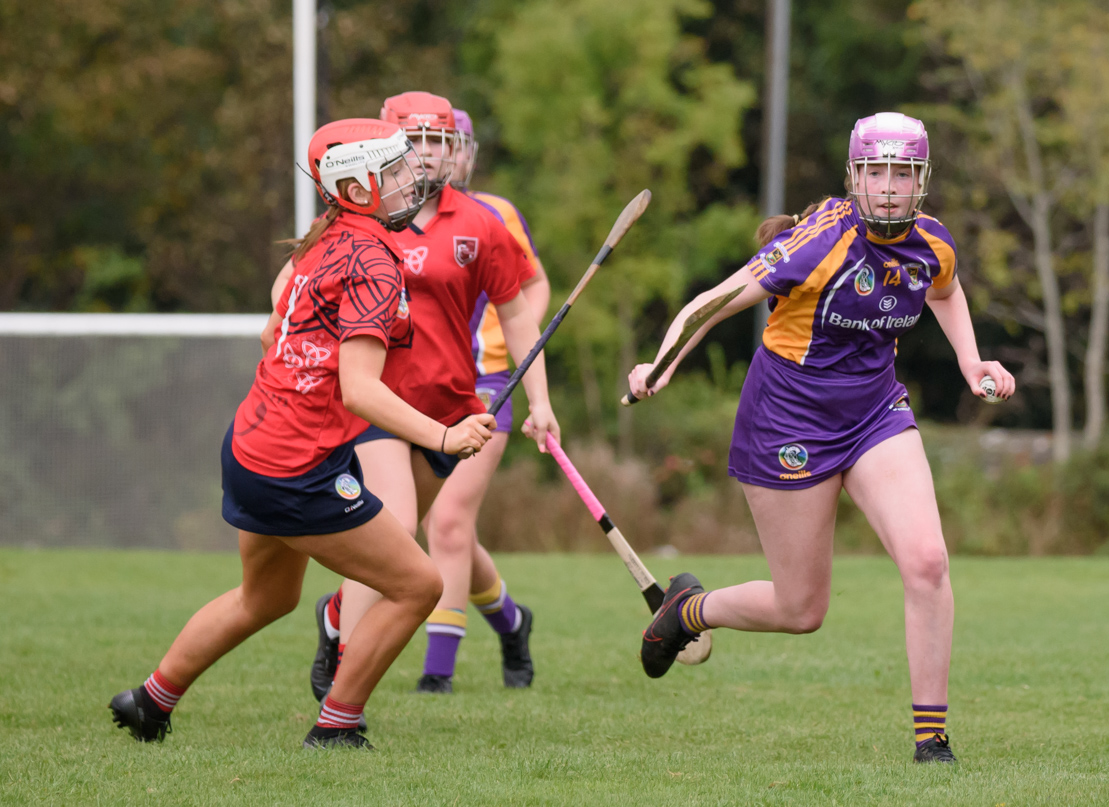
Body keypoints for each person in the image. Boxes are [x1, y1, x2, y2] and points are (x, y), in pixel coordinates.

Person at [625, 113, 1016, 764]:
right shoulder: (818, 242)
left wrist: (970, 362)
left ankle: (931, 741)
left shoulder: (931, 242)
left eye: (902, 173)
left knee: (926, 561)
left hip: (873, 412)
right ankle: (688, 610)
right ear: (853, 176)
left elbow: (944, 290)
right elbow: (714, 301)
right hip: (787, 419)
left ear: (920, 180)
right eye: (875, 172)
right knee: (799, 608)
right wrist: (658, 364)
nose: (888, 188)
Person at [109, 119, 496, 750]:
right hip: (299, 467)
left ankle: (150, 700)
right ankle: (337, 725)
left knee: (264, 598)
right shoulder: (374, 260)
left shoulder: (325, 239)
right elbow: (361, 391)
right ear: (358, 185)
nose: (410, 181)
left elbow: (273, 331)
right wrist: (446, 438)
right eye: (394, 173)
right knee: (418, 585)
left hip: (252, 446)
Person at [284, 93, 558, 705]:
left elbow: (516, 315)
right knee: (393, 527)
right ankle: (345, 692)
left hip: (453, 405)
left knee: (411, 538)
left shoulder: (481, 222)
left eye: (441, 141)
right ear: (389, 146)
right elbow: (291, 285)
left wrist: (540, 400)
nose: (431, 154)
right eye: (419, 141)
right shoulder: (356, 215)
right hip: (377, 402)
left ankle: (335, 622)